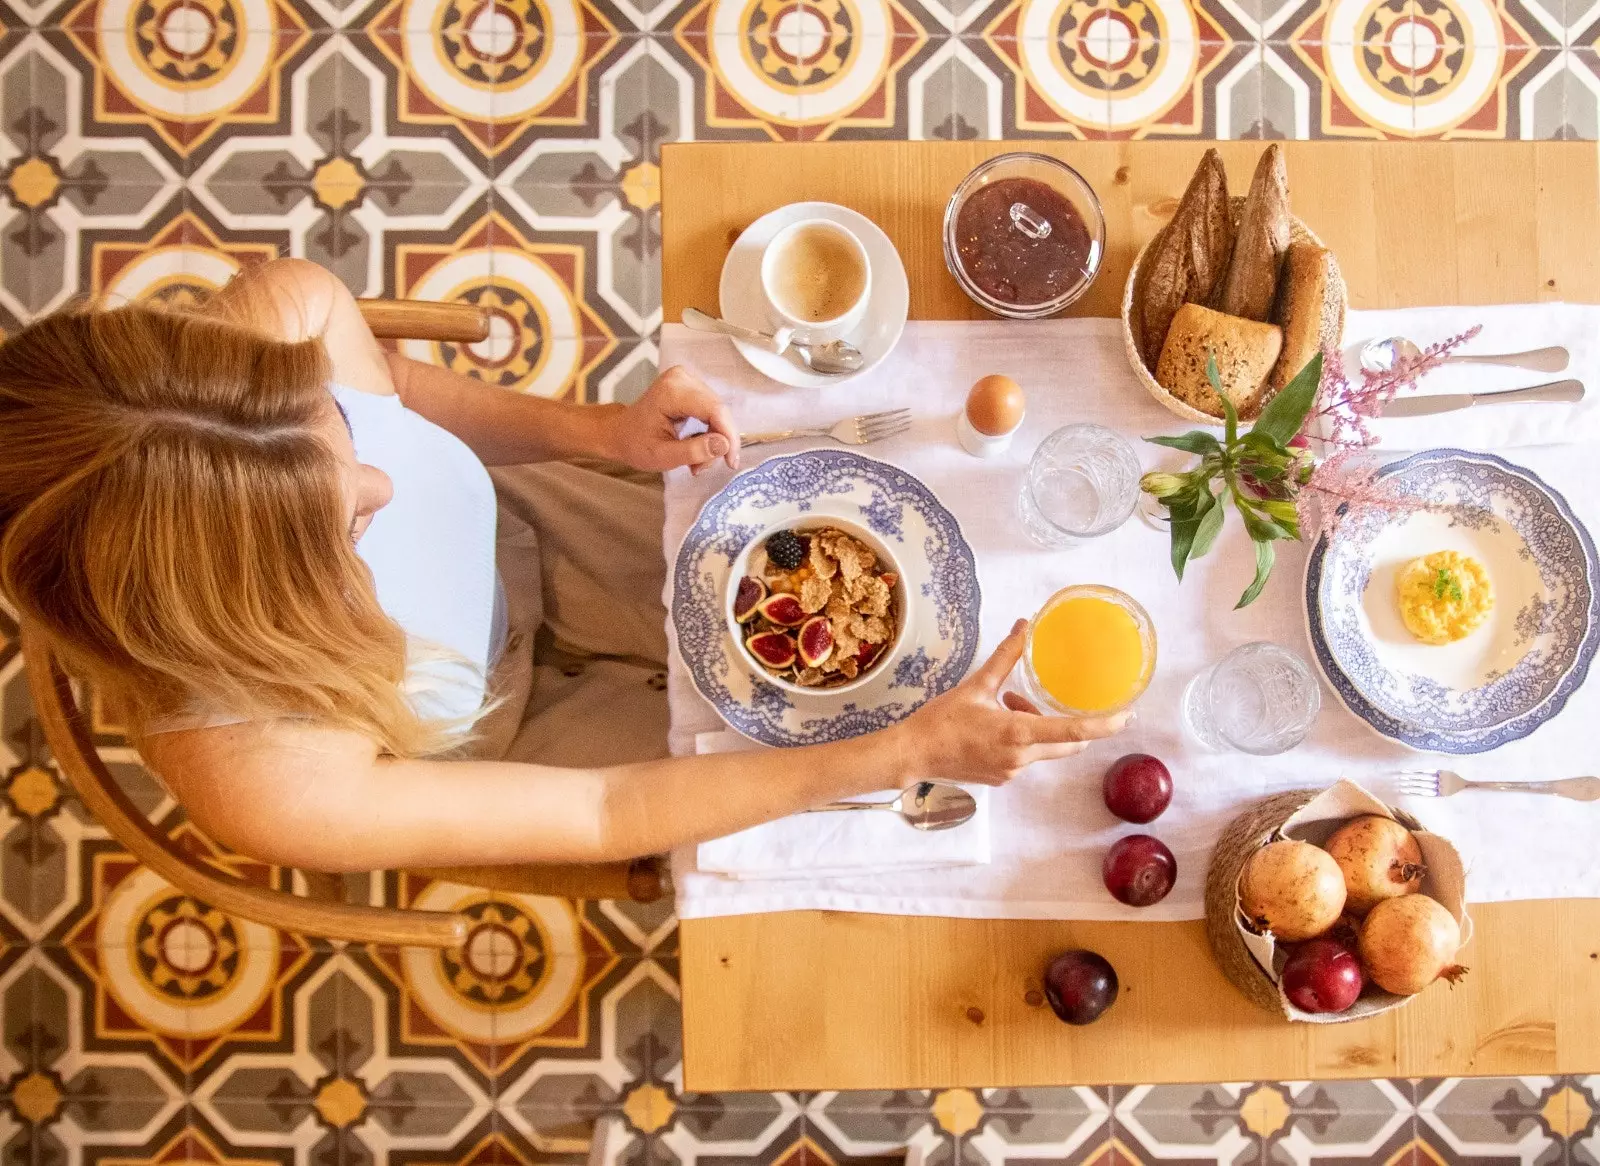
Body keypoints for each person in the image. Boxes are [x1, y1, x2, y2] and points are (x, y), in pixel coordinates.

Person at [0, 259, 1128, 872]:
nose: (385, 492)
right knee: (827, 795)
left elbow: (406, 394)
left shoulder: (288, 320)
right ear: (229, 615)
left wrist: (592, 434)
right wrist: (898, 755)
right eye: (339, 531)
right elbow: (601, 812)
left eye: (344, 441)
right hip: (500, 732)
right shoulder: (265, 779)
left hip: (535, 522)